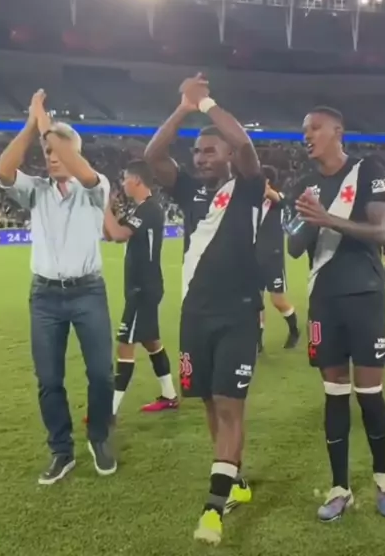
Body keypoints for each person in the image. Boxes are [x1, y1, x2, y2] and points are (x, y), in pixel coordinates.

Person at [145, 74, 264, 546]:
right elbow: (154, 155)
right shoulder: (189, 191)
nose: (200, 157)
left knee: (230, 405)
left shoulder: (249, 185)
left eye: (209, 150)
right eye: (196, 152)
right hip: (194, 316)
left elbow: (245, 143)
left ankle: (214, 507)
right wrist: (183, 107)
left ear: (229, 155)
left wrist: (207, 102)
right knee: (211, 403)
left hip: (238, 314)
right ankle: (234, 478)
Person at [0, 90, 116, 484]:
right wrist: (33, 124)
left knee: (101, 375)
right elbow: (3, 171)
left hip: (88, 292)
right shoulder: (36, 189)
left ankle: (99, 437)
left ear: (75, 153)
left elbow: (82, 170)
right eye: (46, 152)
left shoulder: (95, 188)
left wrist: (49, 128)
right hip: (45, 296)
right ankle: (61, 451)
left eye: (58, 151)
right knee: (49, 380)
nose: (51, 157)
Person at [287, 106, 385, 522]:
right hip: (324, 300)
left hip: (365, 296)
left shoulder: (368, 170)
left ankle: (383, 476)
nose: (307, 135)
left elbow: (380, 232)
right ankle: (340, 488)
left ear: (338, 131)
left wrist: (327, 217)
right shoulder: (304, 184)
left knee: (369, 395)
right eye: (304, 130)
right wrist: (310, 219)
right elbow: (294, 247)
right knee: (334, 395)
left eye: (314, 128)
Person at [103, 160, 178, 416]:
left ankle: (109, 411)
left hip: (143, 289)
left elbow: (119, 234)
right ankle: (169, 395)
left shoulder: (149, 209)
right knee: (151, 341)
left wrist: (104, 206)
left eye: (125, 178)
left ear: (136, 180)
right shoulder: (140, 209)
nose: (123, 184)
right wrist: (109, 210)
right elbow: (110, 234)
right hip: (144, 286)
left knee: (125, 344)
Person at [257, 165, 299, 352]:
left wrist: (264, 188)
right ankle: (258, 342)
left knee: (278, 300)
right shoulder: (253, 202)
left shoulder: (276, 198)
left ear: (267, 181)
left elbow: (278, 199)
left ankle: (294, 330)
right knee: (256, 302)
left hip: (272, 256)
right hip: (253, 256)